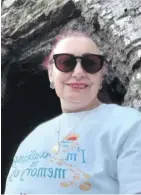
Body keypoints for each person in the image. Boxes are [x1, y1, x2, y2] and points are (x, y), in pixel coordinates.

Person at [5, 30, 141, 194]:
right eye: (65, 62)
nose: (78, 72)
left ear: (101, 77)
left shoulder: (129, 125)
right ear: (50, 74)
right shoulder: (31, 138)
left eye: (90, 63)